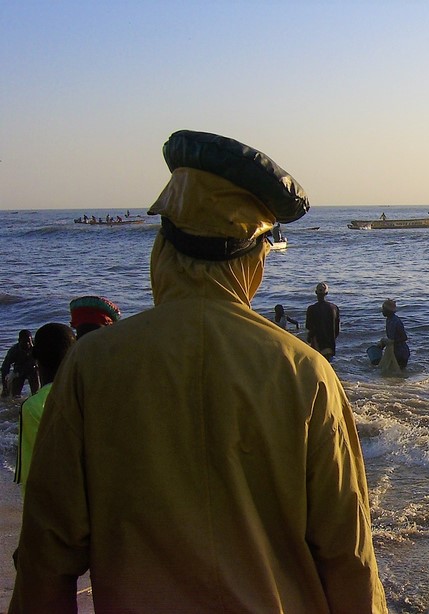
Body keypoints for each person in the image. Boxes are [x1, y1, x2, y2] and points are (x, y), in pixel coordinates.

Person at [9, 130, 386, 612]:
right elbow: (349, 559)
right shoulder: (306, 375)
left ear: (162, 250)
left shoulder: (91, 366)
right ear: (254, 263)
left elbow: (45, 562)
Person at [15, 323, 76, 493]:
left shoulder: (33, 406)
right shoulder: (88, 395)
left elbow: (28, 470)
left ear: (36, 358)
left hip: (50, 502)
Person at [306, 281, 341, 358]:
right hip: (330, 345)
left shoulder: (311, 309)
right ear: (327, 293)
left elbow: (309, 327)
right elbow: (337, 329)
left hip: (317, 345)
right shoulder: (334, 308)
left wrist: (309, 339)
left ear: (316, 292)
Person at [1, 330, 38, 399]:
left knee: (36, 394)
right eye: (24, 342)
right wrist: (5, 387)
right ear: (19, 341)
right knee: (15, 397)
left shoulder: (37, 347)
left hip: (33, 370)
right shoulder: (14, 351)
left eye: (29, 341)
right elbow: (4, 368)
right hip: (19, 371)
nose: (27, 344)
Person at [380, 298, 411, 369]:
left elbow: (404, 337)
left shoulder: (395, 321)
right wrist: (384, 343)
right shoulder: (389, 320)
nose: (382, 311)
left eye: (383, 309)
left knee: (398, 372)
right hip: (395, 351)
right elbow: (391, 337)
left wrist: (389, 342)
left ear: (388, 311)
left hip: (401, 353)